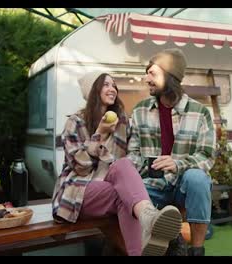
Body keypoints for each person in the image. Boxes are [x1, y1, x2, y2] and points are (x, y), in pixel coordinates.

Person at [51, 72, 182, 256]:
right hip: (78, 190)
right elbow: (80, 166)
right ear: (92, 91)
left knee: (124, 167)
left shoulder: (121, 123)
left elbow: (132, 159)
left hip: (111, 185)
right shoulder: (75, 122)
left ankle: (148, 217)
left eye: (114, 85)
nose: (112, 89)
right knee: (125, 194)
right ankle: (147, 222)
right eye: (106, 85)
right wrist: (99, 134)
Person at [127, 49, 216, 256]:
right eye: (146, 73)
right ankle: (152, 247)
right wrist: (138, 168)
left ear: (171, 77)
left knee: (198, 179)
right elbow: (133, 152)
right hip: (152, 185)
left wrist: (177, 164)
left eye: (153, 74)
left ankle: (197, 250)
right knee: (126, 195)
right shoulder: (139, 111)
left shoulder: (200, 112)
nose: (146, 78)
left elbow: (207, 155)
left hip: (183, 186)